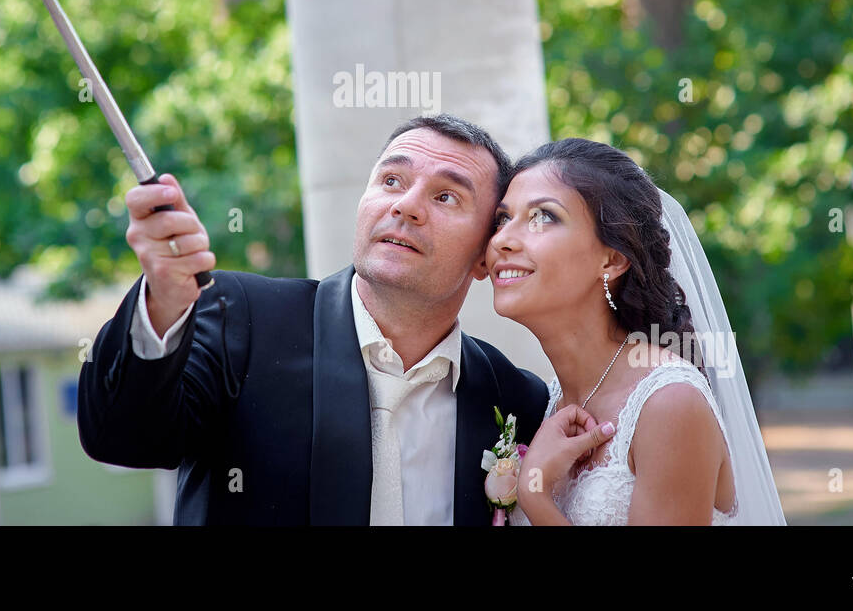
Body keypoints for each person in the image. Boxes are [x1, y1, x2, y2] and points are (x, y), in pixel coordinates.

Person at [78, 114, 564, 525]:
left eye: (446, 197)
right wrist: (162, 303)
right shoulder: (239, 317)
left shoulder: (516, 397)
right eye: (391, 180)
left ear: (485, 256)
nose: (406, 206)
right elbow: (124, 438)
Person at [492, 138, 786, 525]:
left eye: (544, 217)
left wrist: (534, 495)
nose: (503, 240)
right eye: (502, 219)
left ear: (612, 259)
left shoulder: (669, 403)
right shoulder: (548, 400)